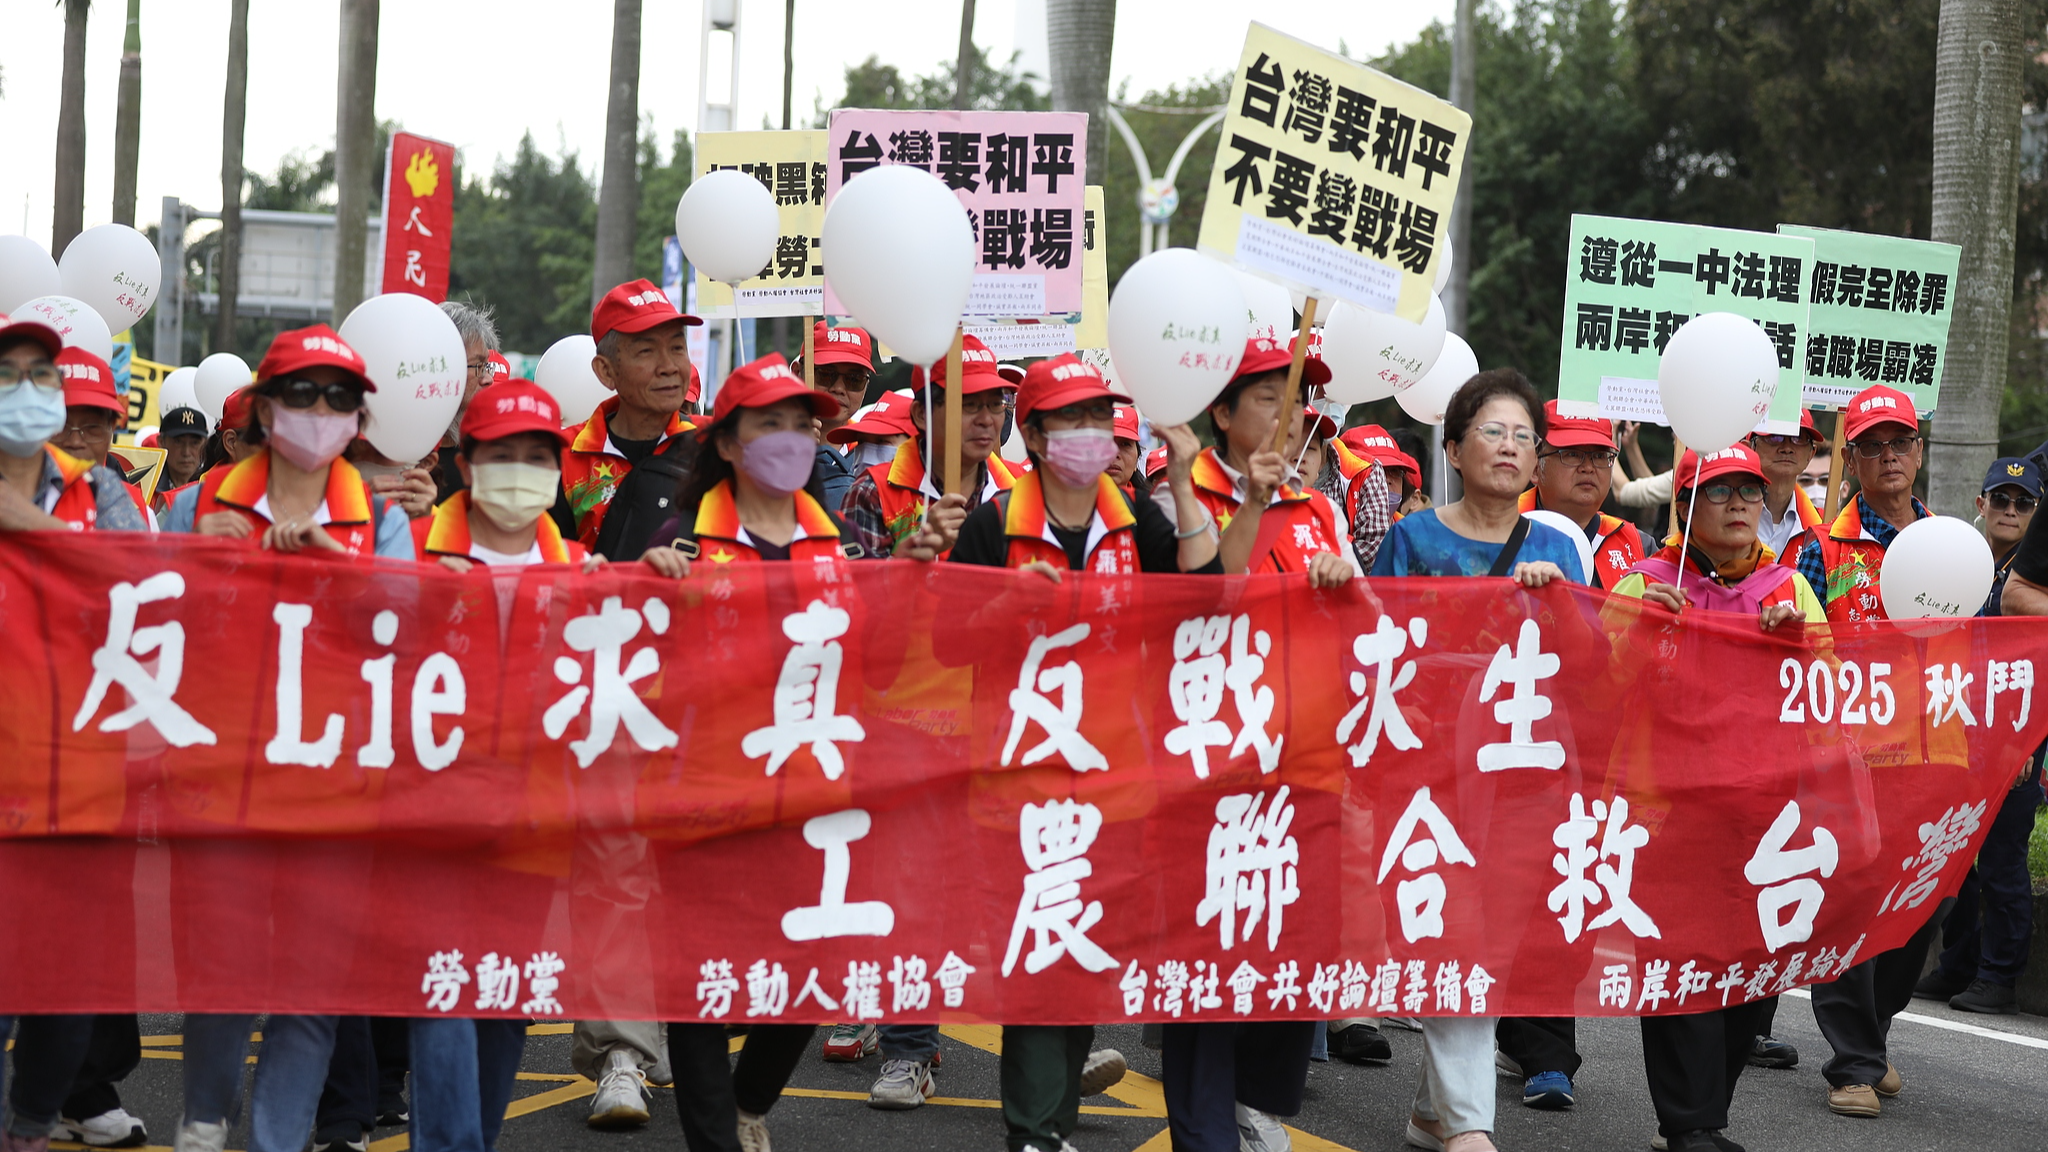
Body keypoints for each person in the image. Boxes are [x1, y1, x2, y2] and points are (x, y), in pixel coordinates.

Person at [635, 353, 941, 1152]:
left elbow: (872, 659)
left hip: (807, 798)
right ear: (729, 444)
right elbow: (639, 663)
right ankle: (715, 1135)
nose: (788, 439)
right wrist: (648, 590)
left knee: (818, 967)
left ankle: (746, 1102)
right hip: (700, 799)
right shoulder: (686, 540)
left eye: (801, 425)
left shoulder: (829, 540)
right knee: (700, 984)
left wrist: (905, 582)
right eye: (767, 424)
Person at [947, 353, 1222, 1152]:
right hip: (1018, 781)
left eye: (1102, 419)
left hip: (1119, 779)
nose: (1090, 434)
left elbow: (1207, 594)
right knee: (1041, 951)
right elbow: (938, 640)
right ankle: (1034, 1132)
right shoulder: (992, 523)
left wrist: (1183, 480)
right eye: (1071, 420)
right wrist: (1000, 600)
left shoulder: (1140, 521)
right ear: (1031, 435)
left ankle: (1051, 1125)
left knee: (1081, 951)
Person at [1371, 369, 1582, 1152]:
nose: (1510, 446)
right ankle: (1467, 1126)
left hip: (1527, 780)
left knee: (1494, 937)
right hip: (1432, 780)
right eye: (1493, 431)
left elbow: (1591, 666)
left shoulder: (1561, 546)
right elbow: (1378, 654)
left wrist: (1559, 601)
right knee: (1453, 929)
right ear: (1455, 449)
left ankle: (1433, 1114)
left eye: (1525, 436)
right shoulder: (1414, 538)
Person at [1604, 443, 1822, 1152]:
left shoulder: (1788, 588)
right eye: (1719, 491)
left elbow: (1834, 687)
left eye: (1749, 492)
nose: (1738, 504)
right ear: (1686, 508)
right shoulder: (1644, 583)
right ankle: (1691, 1124)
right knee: (1677, 968)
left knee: (1750, 976)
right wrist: (1640, 636)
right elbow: (1591, 689)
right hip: (1664, 814)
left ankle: (1704, 1112)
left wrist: (1803, 647)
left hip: (1765, 817)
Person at [0, 313, 146, 1152]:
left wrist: (33, 533)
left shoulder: (103, 493)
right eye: (7, 374)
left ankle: (30, 1126)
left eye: (41, 375)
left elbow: (147, 589)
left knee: (65, 993)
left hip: (79, 781)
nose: (28, 392)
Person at [1792, 383, 1942, 1118]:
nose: (1889, 457)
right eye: (1873, 446)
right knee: (1852, 905)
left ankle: (1873, 1036)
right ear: (1850, 459)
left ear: (1918, 453)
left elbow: (1976, 647)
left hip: (1937, 756)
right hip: (1849, 757)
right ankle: (1851, 1062)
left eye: (1900, 444)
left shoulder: (1951, 542)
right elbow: (1797, 651)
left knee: (1923, 907)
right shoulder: (1822, 549)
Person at [1912, 456, 2044, 1015]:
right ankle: (1958, 965)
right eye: (2002, 499)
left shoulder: (2032, 578)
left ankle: (1999, 976)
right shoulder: (1962, 565)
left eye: (2024, 502)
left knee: (2002, 861)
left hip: (2015, 739)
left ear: (2037, 513)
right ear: (1980, 504)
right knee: (1956, 856)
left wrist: (2026, 746)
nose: (2010, 510)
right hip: (1958, 735)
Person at [161, 325, 413, 561]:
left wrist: (343, 567)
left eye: (341, 397)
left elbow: (399, 609)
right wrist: (189, 556)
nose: (322, 410)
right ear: (264, 409)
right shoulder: (195, 506)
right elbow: (155, 601)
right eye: (302, 393)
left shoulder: (385, 524)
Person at [1183, 337, 1358, 585]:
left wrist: (1347, 585)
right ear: (1223, 413)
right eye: (1268, 398)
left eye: (1296, 401)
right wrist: (1254, 504)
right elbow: (1200, 600)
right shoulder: (1184, 499)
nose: (1288, 413)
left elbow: (1371, 614)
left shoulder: (1324, 510)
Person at [840, 332, 1015, 559]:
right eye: (968, 404)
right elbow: (854, 589)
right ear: (922, 414)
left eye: (995, 404)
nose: (986, 419)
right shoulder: (873, 493)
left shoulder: (1017, 494)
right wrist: (909, 559)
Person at [559, 278, 704, 549]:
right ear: (606, 371)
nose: (669, 366)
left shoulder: (714, 446)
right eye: (646, 351)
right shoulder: (563, 456)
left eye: (677, 348)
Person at [414, 379, 590, 569]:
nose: (519, 471)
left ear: (558, 468)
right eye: (501, 456)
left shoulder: (578, 567)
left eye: (537, 457)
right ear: (466, 468)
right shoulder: (406, 549)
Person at [1517, 401, 1643, 589]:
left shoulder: (1638, 544)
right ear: (1535, 467)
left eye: (1600, 456)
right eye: (1572, 454)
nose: (1588, 468)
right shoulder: (1503, 531)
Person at [793, 321, 877, 510]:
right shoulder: (767, 446)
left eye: (854, 380)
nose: (838, 388)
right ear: (798, 373)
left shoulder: (874, 450)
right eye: (825, 374)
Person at [1747, 410, 1825, 561]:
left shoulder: (1824, 526)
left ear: (1811, 454)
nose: (1787, 448)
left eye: (1798, 438)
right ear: (1751, 447)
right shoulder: (1725, 515)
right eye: (1775, 436)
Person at [156, 404, 210, 495]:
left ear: (205, 444)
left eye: (195, 443)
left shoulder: (215, 487)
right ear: (161, 442)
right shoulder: (147, 487)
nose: (186, 452)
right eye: (178, 442)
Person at [1107, 404, 1143, 492]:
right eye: (1106, 443)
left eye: (1125, 444)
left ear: (1137, 460)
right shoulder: (1070, 503)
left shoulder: (1152, 504)